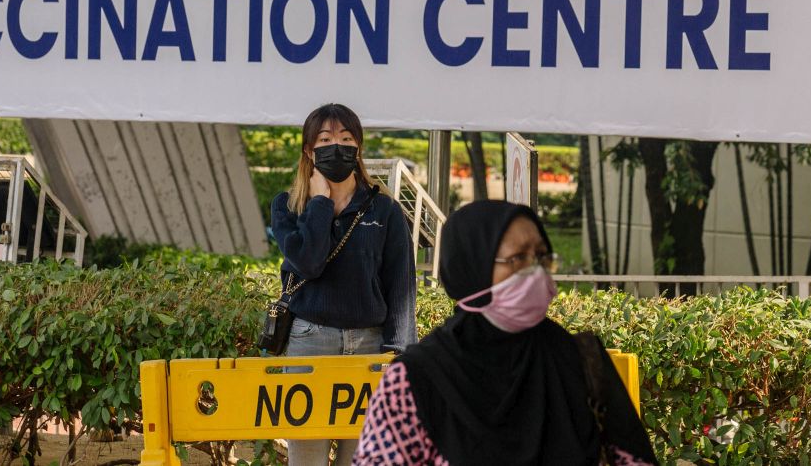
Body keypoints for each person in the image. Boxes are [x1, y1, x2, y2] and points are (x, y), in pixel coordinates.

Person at [353, 200, 658, 465]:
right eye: (519, 258)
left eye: (542, 256)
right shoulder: (415, 380)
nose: (536, 270)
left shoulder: (580, 360)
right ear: (472, 266)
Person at [271, 103, 417, 466]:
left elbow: (401, 284)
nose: (336, 147)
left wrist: (398, 354)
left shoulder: (384, 209)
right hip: (309, 342)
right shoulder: (289, 207)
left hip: (369, 347)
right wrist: (320, 202)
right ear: (309, 150)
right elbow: (309, 263)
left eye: (346, 139)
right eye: (325, 139)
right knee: (307, 459)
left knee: (363, 458)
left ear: (359, 148)